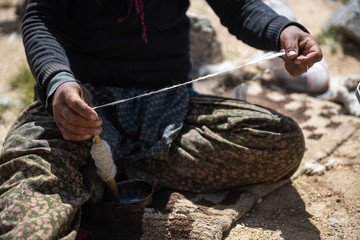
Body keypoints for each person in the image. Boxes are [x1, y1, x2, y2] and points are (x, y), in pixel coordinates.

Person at [0, 0, 322, 239]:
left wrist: (283, 31)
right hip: (82, 112)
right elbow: (40, 17)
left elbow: (238, 7)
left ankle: (101, 177)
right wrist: (57, 82)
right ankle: (97, 172)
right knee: (27, 182)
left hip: (165, 119)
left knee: (281, 140)